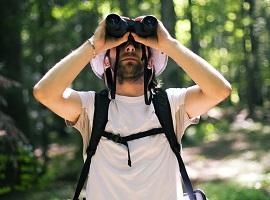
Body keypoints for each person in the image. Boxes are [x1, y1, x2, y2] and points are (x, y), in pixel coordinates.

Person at [33, 14, 231, 200]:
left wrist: (168, 44)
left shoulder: (171, 104)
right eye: (119, 45)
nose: (129, 48)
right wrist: (94, 45)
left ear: (151, 60)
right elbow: (44, 92)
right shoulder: (91, 108)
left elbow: (219, 90)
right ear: (106, 61)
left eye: (137, 44)